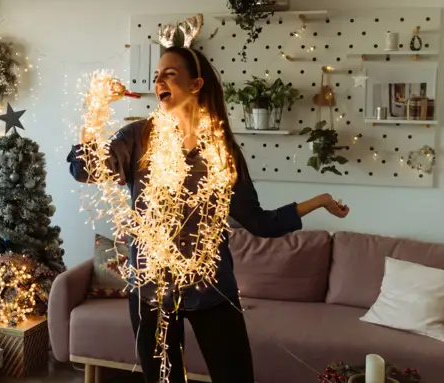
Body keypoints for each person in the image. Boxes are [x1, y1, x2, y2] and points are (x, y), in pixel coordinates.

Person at [68, 46, 350, 383]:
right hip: (151, 293)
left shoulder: (222, 151)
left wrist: (317, 201)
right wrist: (94, 110)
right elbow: (85, 170)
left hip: (212, 289)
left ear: (196, 83)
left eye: (170, 73)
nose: (159, 80)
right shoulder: (139, 138)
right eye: (157, 75)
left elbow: (260, 222)